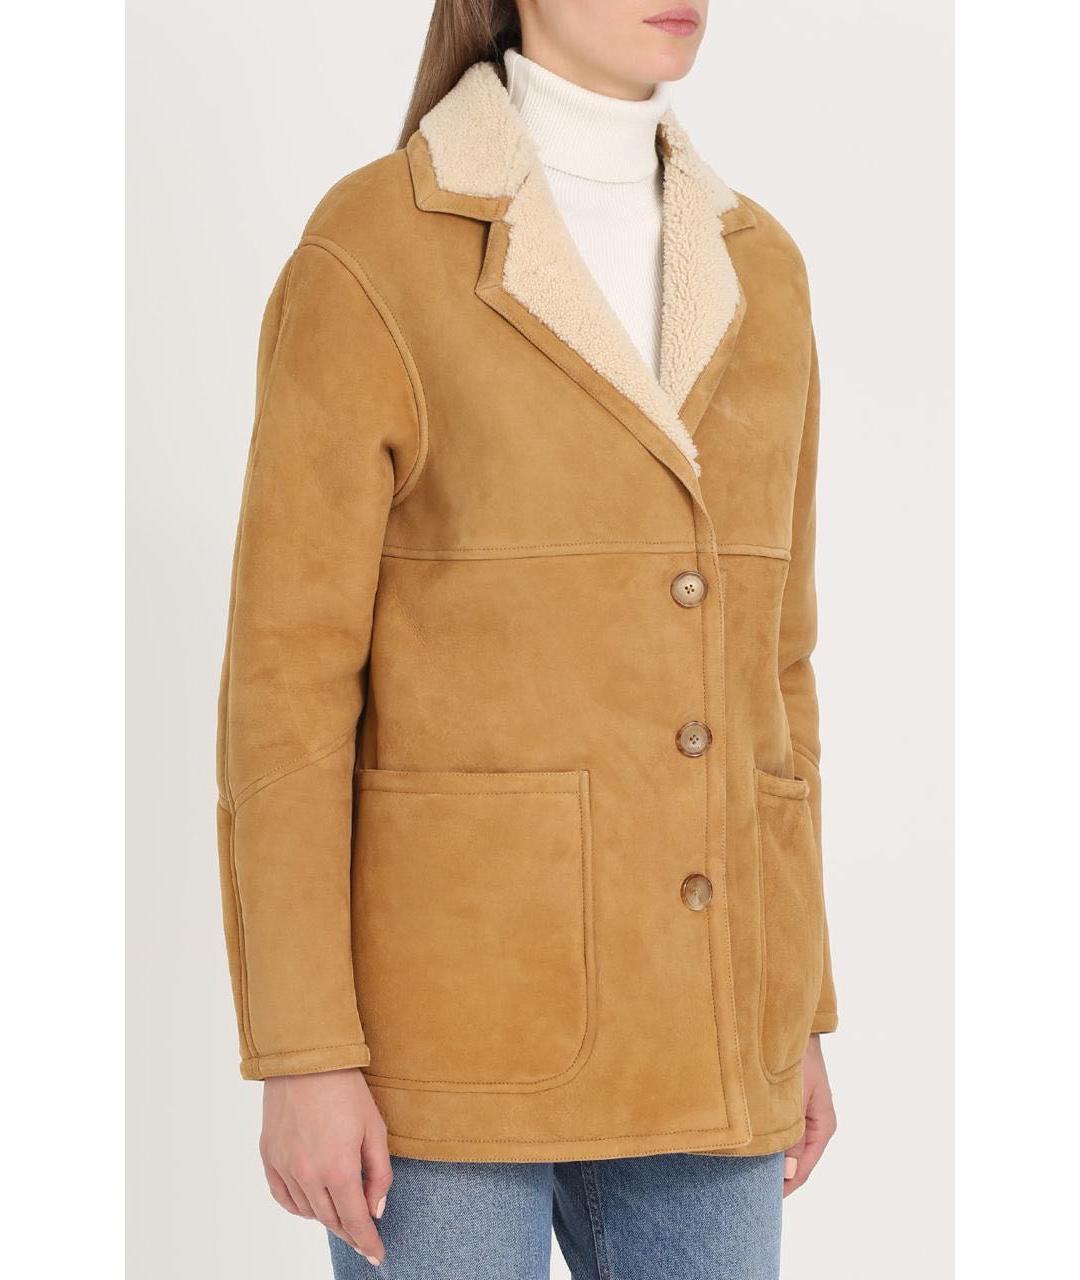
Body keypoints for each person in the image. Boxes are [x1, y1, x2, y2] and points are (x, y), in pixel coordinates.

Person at [215, 2, 839, 1275]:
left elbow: (778, 668)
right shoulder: (375, 250)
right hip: (447, 1035)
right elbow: (287, 685)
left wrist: (795, 1005)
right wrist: (303, 1048)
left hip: (710, 1019)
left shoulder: (760, 270)